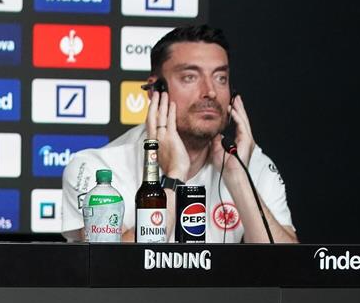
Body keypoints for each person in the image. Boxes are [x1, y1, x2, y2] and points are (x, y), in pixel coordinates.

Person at [61, 24, 297, 243]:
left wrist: (238, 178)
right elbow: (110, 271)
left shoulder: (249, 164)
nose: (211, 92)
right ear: (155, 91)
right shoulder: (96, 169)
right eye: (190, 77)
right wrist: (174, 177)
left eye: (221, 78)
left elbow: (290, 270)